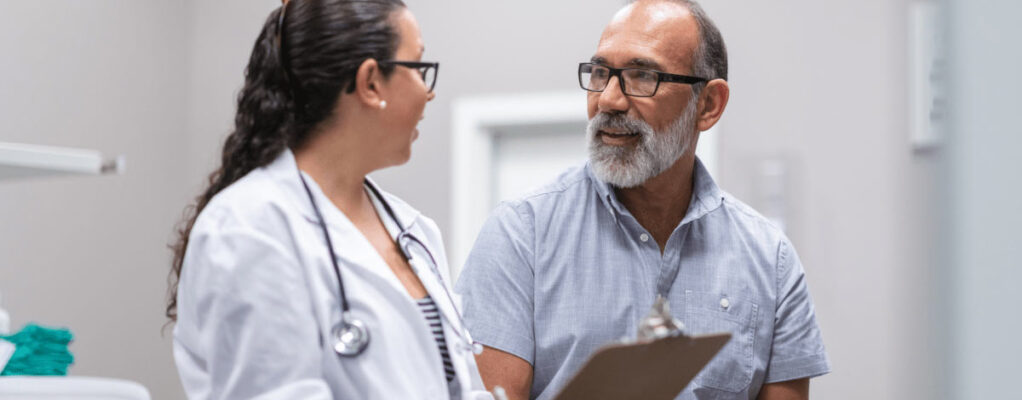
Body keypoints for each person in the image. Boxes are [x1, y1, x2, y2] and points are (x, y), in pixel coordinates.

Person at [455, 1, 830, 399]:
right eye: (600, 73)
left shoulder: (770, 260)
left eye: (642, 76)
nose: (608, 100)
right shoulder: (521, 235)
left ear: (708, 104)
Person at [166, 1, 492, 399]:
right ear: (370, 82)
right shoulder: (248, 229)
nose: (429, 91)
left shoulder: (414, 230)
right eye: (418, 67)